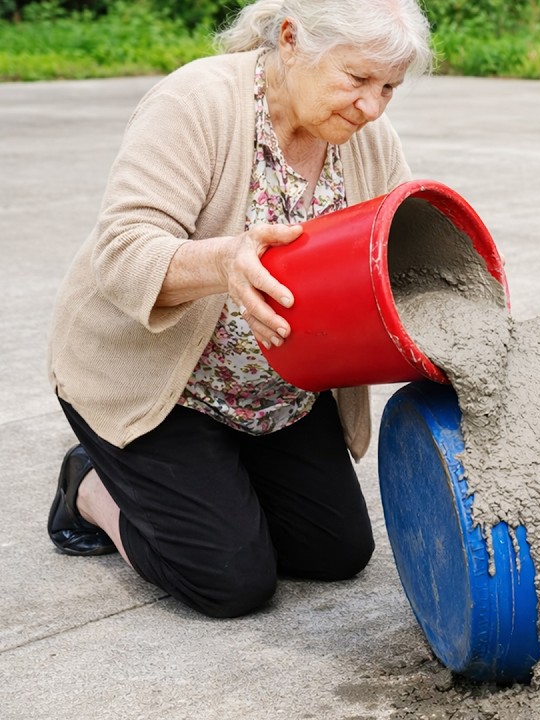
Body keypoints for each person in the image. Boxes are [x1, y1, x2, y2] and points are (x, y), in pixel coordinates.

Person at [45, 0, 433, 618]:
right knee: (231, 583)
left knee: (336, 552)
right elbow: (121, 251)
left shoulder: (366, 138)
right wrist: (223, 264)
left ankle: (219, 481)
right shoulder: (198, 103)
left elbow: (399, 253)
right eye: (357, 79)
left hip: (278, 391)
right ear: (290, 38)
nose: (372, 106)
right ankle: (89, 487)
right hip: (166, 387)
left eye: (390, 87)